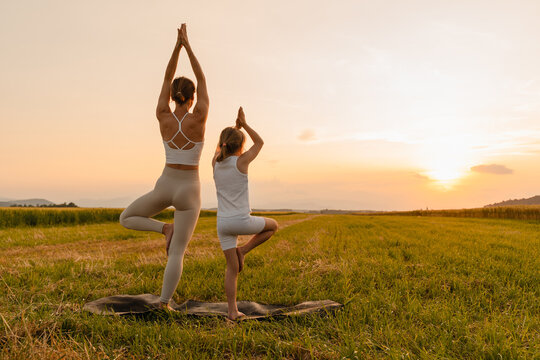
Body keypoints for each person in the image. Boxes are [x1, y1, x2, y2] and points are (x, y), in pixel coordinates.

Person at [119, 24, 209, 311]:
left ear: (171, 97)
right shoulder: (201, 116)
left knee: (127, 217)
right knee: (178, 253)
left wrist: (176, 46)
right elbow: (202, 77)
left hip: (165, 184)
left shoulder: (162, 114)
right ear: (193, 98)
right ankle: (164, 303)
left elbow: (168, 75)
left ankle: (163, 228)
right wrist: (188, 46)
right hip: (189, 190)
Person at [212, 107, 278, 320]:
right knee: (273, 226)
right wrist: (244, 124)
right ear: (240, 146)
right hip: (241, 221)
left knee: (232, 270)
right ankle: (245, 250)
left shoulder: (215, 163)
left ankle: (232, 311)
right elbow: (260, 143)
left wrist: (233, 129)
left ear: (222, 144)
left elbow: (221, 147)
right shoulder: (241, 162)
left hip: (222, 223)